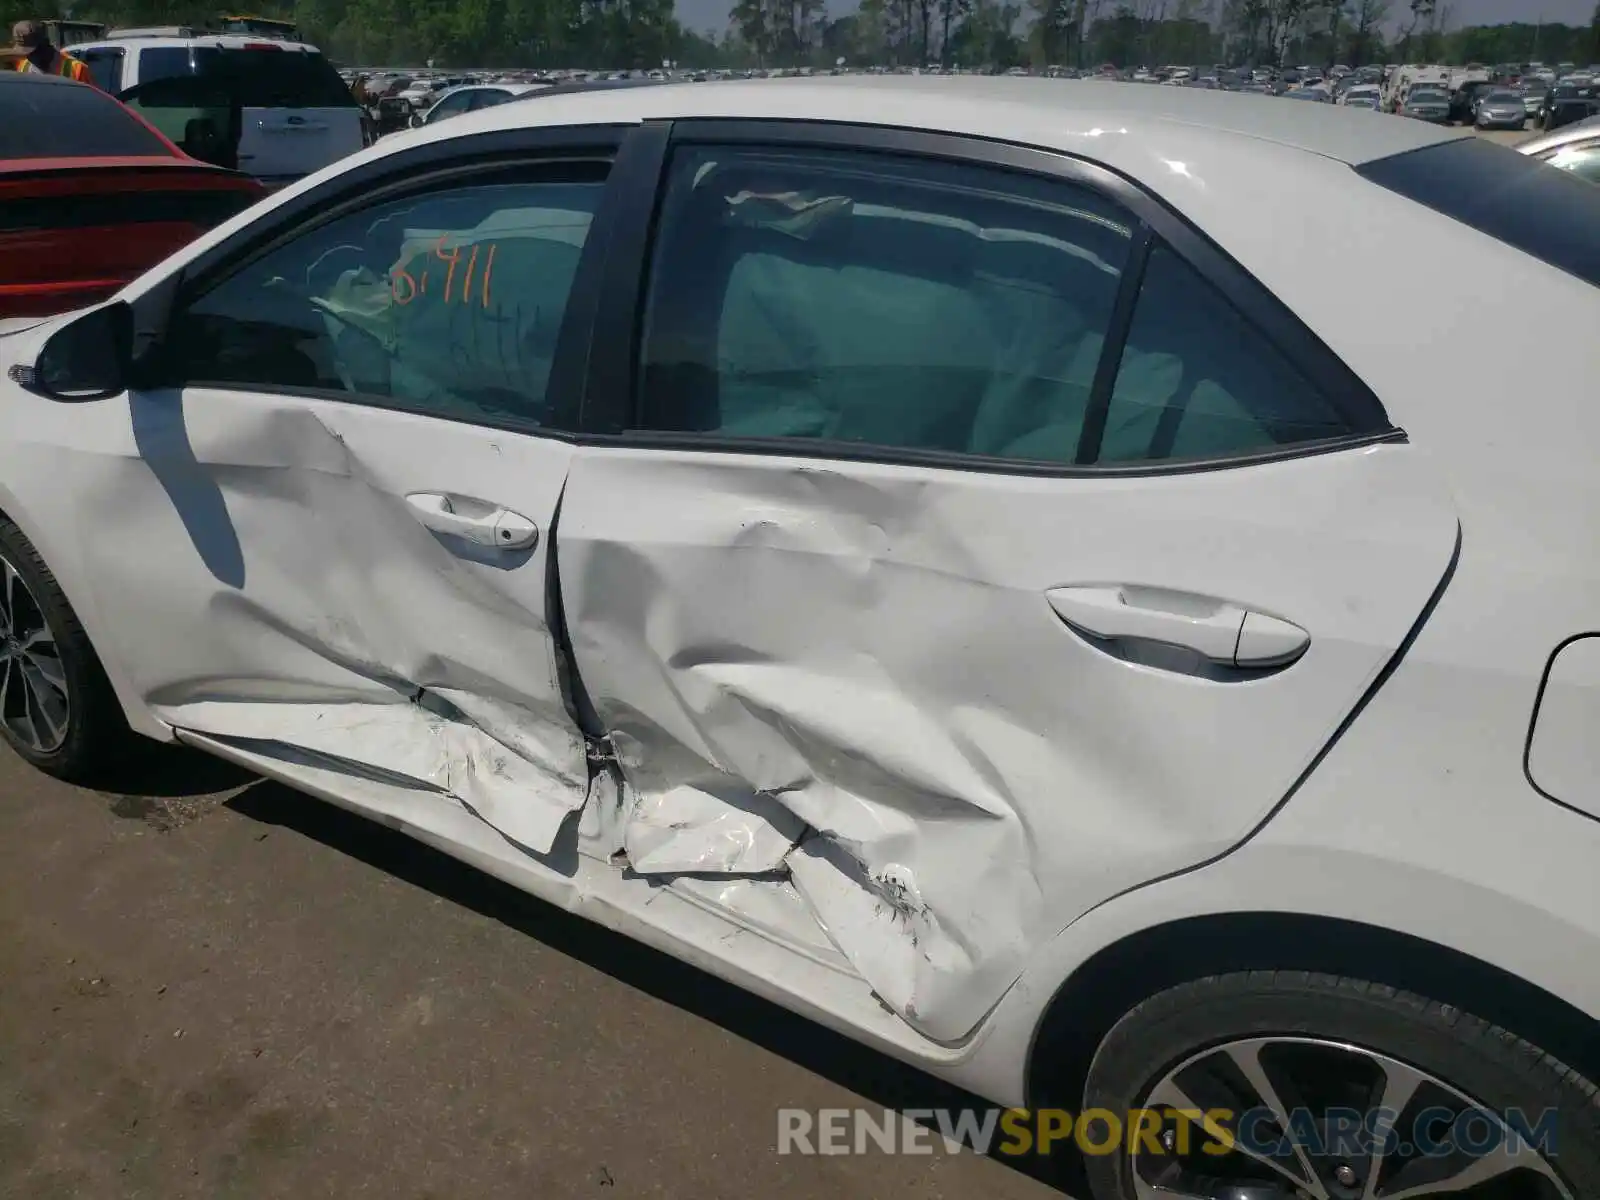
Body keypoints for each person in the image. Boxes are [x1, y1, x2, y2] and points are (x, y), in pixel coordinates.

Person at [7, 21, 94, 84]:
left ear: (45, 44)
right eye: (25, 54)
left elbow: (93, 102)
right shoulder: (23, 67)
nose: (30, 58)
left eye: (33, 52)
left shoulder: (77, 69)